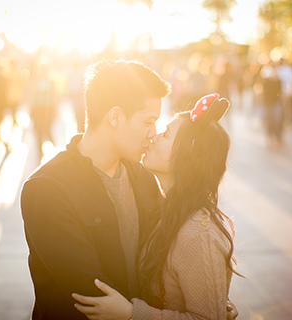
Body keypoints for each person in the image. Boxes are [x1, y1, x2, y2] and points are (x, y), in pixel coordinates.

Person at [19, 60, 237, 320]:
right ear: (115, 117)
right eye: (149, 121)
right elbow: (94, 295)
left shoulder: (141, 175)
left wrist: (203, 297)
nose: (153, 133)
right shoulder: (47, 189)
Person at [72, 94, 239, 320]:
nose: (153, 136)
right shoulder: (168, 209)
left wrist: (131, 313)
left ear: (184, 158)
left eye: (165, 134)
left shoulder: (200, 234)